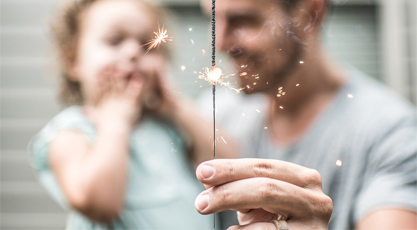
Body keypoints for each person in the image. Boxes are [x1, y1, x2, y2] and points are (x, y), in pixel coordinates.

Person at [195, 0, 417, 229]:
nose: (220, 43)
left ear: (310, 14)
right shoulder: (218, 113)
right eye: (213, 20)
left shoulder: (393, 135)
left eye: (242, 20)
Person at [29, 0, 237, 229]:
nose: (133, 52)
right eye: (115, 41)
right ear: (73, 60)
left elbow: (232, 167)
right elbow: (100, 204)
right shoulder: (71, 132)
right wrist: (116, 121)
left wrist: (177, 106)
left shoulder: (169, 127)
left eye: (148, 46)